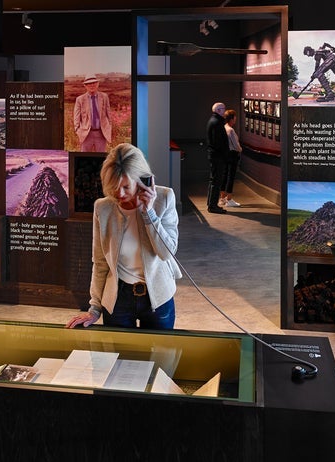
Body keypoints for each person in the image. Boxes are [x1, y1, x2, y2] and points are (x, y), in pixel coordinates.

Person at [67, 143, 181, 330]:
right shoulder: (103, 208)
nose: (119, 193)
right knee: (118, 357)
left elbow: (166, 253)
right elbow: (100, 261)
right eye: (114, 186)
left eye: (126, 186)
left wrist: (149, 213)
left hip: (158, 297)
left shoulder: (164, 198)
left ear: (142, 179)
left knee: (161, 357)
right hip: (118, 298)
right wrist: (94, 307)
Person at [72, 74, 112, 152]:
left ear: (97, 84)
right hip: (86, 134)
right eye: (89, 84)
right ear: (85, 86)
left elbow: (108, 114)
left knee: (100, 159)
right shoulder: (80, 99)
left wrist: (109, 127)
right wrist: (78, 131)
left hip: (101, 133)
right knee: (84, 159)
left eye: (94, 83)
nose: (92, 85)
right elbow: (76, 118)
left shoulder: (104, 97)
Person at [204, 102, 229, 214]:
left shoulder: (213, 121)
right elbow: (218, 142)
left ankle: (211, 204)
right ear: (219, 110)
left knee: (213, 180)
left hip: (215, 155)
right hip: (217, 156)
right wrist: (225, 154)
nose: (225, 111)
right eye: (223, 109)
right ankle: (213, 206)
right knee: (216, 181)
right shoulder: (217, 123)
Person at [219, 109, 242, 208]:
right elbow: (236, 145)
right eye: (235, 117)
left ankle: (222, 198)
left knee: (224, 175)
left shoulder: (224, 127)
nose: (236, 118)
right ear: (232, 118)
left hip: (225, 154)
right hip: (232, 154)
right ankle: (229, 199)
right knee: (231, 176)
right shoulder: (231, 130)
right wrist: (240, 149)